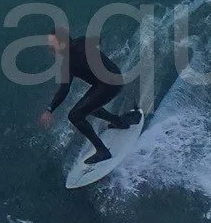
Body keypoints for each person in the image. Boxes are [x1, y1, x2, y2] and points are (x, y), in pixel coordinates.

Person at [39, 31, 142, 162]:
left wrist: (49, 110)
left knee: (75, 115)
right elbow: (97, 39)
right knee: (85, 106)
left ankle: (102, 151)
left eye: (52, 43)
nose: (49, 47)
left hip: (109, 85)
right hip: (114, 77)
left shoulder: (67, 63)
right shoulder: (80, 42)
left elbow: (64, 90)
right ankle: (118, 122)